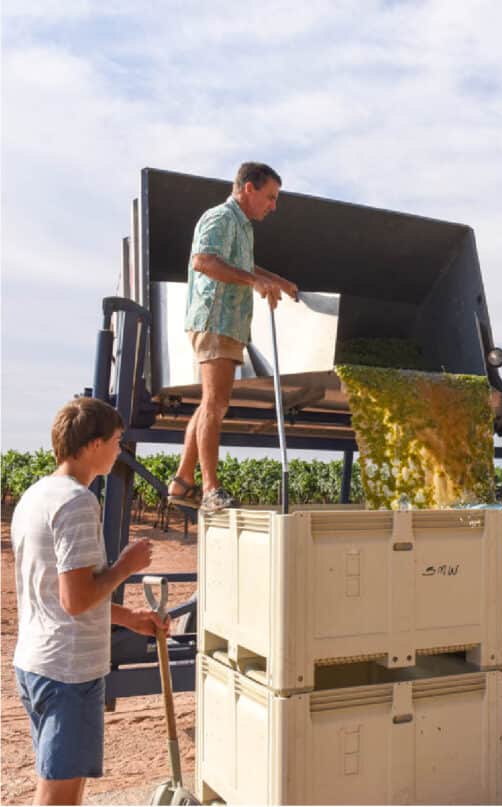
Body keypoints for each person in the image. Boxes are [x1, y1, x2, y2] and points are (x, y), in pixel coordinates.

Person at [12, 397, 167, 806]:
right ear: (94, 444)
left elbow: (54, 594)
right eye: (117, 440)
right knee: (60, 796)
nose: (120, 449)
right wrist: (125, 567)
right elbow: (76, 599)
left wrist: (128, 617)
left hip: (37, 663)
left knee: (61, 785)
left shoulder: (36, 495)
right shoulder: (78, 502)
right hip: (69, 671)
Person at [167, 162, 298, 514]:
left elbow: (243, 265)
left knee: (211, 403)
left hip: (231, 324)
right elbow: (203, 261)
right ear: (249, 189)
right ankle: (210, 489)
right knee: (216, 403)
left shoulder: (243, 228)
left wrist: (277, 280)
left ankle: (182, 481)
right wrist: (255, 283)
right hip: (216, 318)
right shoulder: (220, 217)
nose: (274, 205)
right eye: (270, 197)